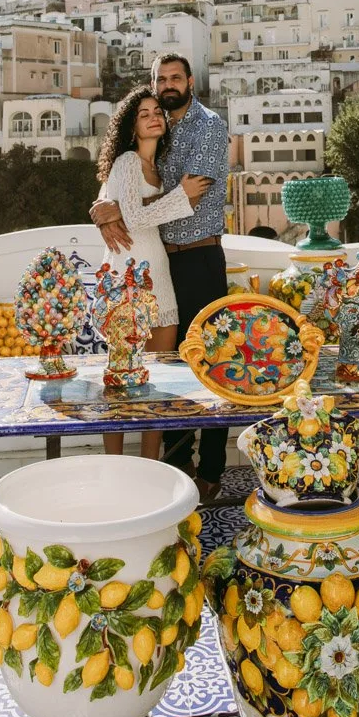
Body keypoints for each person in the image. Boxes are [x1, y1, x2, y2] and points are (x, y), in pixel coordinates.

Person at [92, 54, 230, 501]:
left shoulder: (207, 126)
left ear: (191, 81)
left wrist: (121, 210)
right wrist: (103, 206)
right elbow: (124, 176)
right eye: (160, 80)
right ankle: (169, 468)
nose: (168, 86)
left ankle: (208, 471)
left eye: (175, 78)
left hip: (197, 257)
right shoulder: (161, 134)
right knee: (166, 370)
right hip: (156, 265)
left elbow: (184, 194)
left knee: (205, 363)